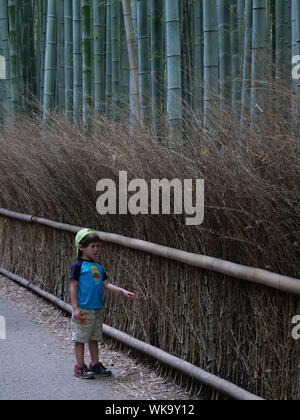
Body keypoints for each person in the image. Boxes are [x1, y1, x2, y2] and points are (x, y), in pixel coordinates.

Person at [70, 228, 135, 379]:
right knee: (80, 338)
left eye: (98, 246)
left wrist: (122, 291)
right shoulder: (78, 266)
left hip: (97, 309)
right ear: (81, 247)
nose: (96, 249)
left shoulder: (98, 267)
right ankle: (80, 367)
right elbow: (73, 286)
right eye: (92, 246)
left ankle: (95, 364)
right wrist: (75, 308)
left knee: (94, 337)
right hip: (83, 309)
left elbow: (106, 284)